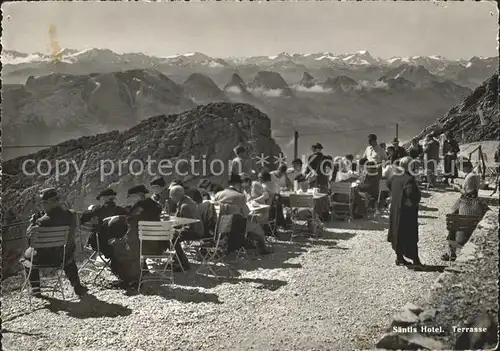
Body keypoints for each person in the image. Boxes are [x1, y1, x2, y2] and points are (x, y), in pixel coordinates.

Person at [21, 188, 88, 298]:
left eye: (42, 203)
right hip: (65, 257)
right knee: (67, 252)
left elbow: (31, 241)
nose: (41, 206)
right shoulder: (72, 215)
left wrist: (32, 223)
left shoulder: (41, 221)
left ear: (48, 203)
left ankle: (36, 289)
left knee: (26, 256)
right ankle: (77, 285)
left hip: (46, 259)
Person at [214, 174, 272, 254]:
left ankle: (247, 244)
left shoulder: (218, 195)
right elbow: (246, 214)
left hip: (220, 227)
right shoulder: (240, 196)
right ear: (237, 184)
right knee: (258, 228)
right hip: (236, 227)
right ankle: (263, 250)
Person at [387, 157, 422, 267]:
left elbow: (388, 185)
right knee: (410, 235)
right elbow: (410, 193)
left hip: (395, 208)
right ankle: (416, 262)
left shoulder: (394, 176)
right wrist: (415, 199)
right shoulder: (409, 179)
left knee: (397, 233)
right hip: (406, 211)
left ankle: (399, 258)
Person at [441, 189, 490, 261]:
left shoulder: (460, 201)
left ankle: (452, 254)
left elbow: (452, 213)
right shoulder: (481, 203)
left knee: (452, 223)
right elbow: (489, 214)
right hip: (476, 239)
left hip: (459, 241)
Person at [79, 188, 128, 257]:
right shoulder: (121, 211)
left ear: (104, 199)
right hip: (120, 242)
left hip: (101, 243)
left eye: (100, 199)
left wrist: (91, 209)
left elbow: (83, 218)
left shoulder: (98, 209)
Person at [169, 185, 204, 270]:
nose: (171, 198)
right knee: (172, 235)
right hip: (196, 229)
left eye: (171, 196)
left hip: (195, 232)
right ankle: (176, 260)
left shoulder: (184, 206)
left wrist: (175, 230)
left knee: (172, 238)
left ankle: (183, 264)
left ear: (176, 196)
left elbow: (189, 226)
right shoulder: (186, 201)